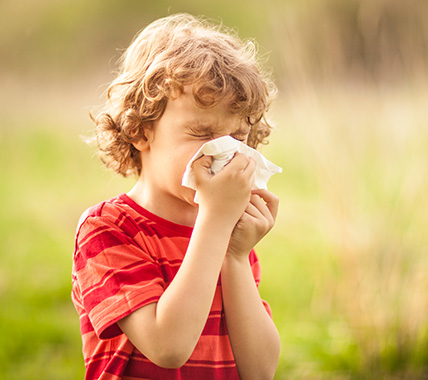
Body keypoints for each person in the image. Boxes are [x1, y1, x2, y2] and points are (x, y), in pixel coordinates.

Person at [71, 13, 280, 380]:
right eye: (202, 133)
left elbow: (260, 370)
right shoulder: (106, 230)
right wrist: (216, 223)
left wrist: (236, 256)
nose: (226, 154)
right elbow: (168, 347)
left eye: (240, 137)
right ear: (140, 131)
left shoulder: (228, 234)